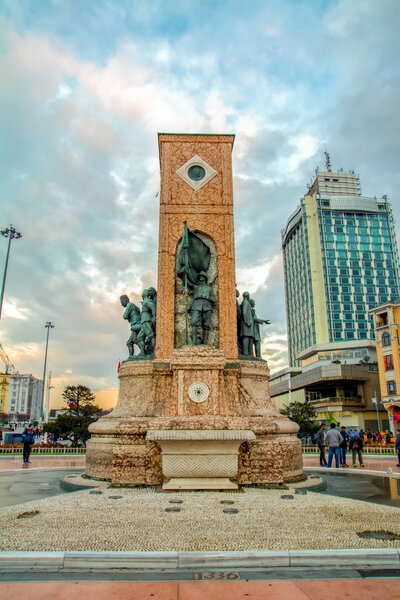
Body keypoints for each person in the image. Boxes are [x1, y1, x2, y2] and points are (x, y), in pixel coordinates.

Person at [188, 272, 217, 345]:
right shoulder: (195, 287)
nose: (201, 277)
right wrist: (185, 273)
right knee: (194, 322)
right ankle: (194, 340)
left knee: (206, 325)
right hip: (196, 304)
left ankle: (205, 342)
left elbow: (214, 301)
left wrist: (210, 298)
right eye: (200, 276)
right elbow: (187, 283)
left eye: (202, 276)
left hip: (207, 306)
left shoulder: (209, 288)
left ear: (205, 278)